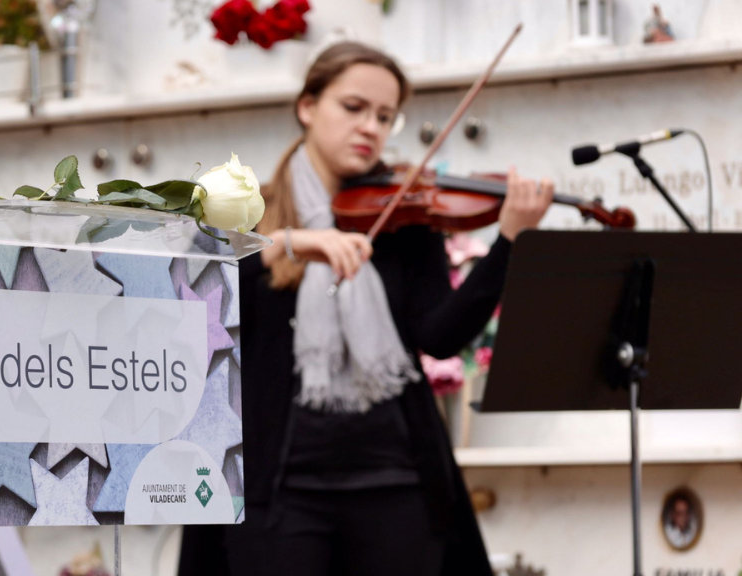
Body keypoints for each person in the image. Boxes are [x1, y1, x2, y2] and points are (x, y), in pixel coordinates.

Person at [178, 41, 554, 576]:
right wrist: (289, 243)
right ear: (308, 106)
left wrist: (510, 242)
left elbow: (440, 335)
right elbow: (198, 301)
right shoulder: (248, 214)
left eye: (385, 116)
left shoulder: (404, 217)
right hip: (278, 491)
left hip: (396, 481)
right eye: (353, 108)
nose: (371, 127)